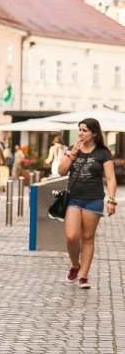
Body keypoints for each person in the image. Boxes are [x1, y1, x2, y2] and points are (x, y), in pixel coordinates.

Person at [58, 118, 117, 290]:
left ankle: (83, 276)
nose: (80, 133)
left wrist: (111, 200)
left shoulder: (103, 153)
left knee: (88, 238)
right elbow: (61, 171)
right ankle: (75, 265)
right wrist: (72, 154)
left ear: (94, 133)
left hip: (94, 199)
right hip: (74, 198)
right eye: (80, 129)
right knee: (71, 236)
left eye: (84, 130)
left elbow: (111, 178)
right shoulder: (72, 149)